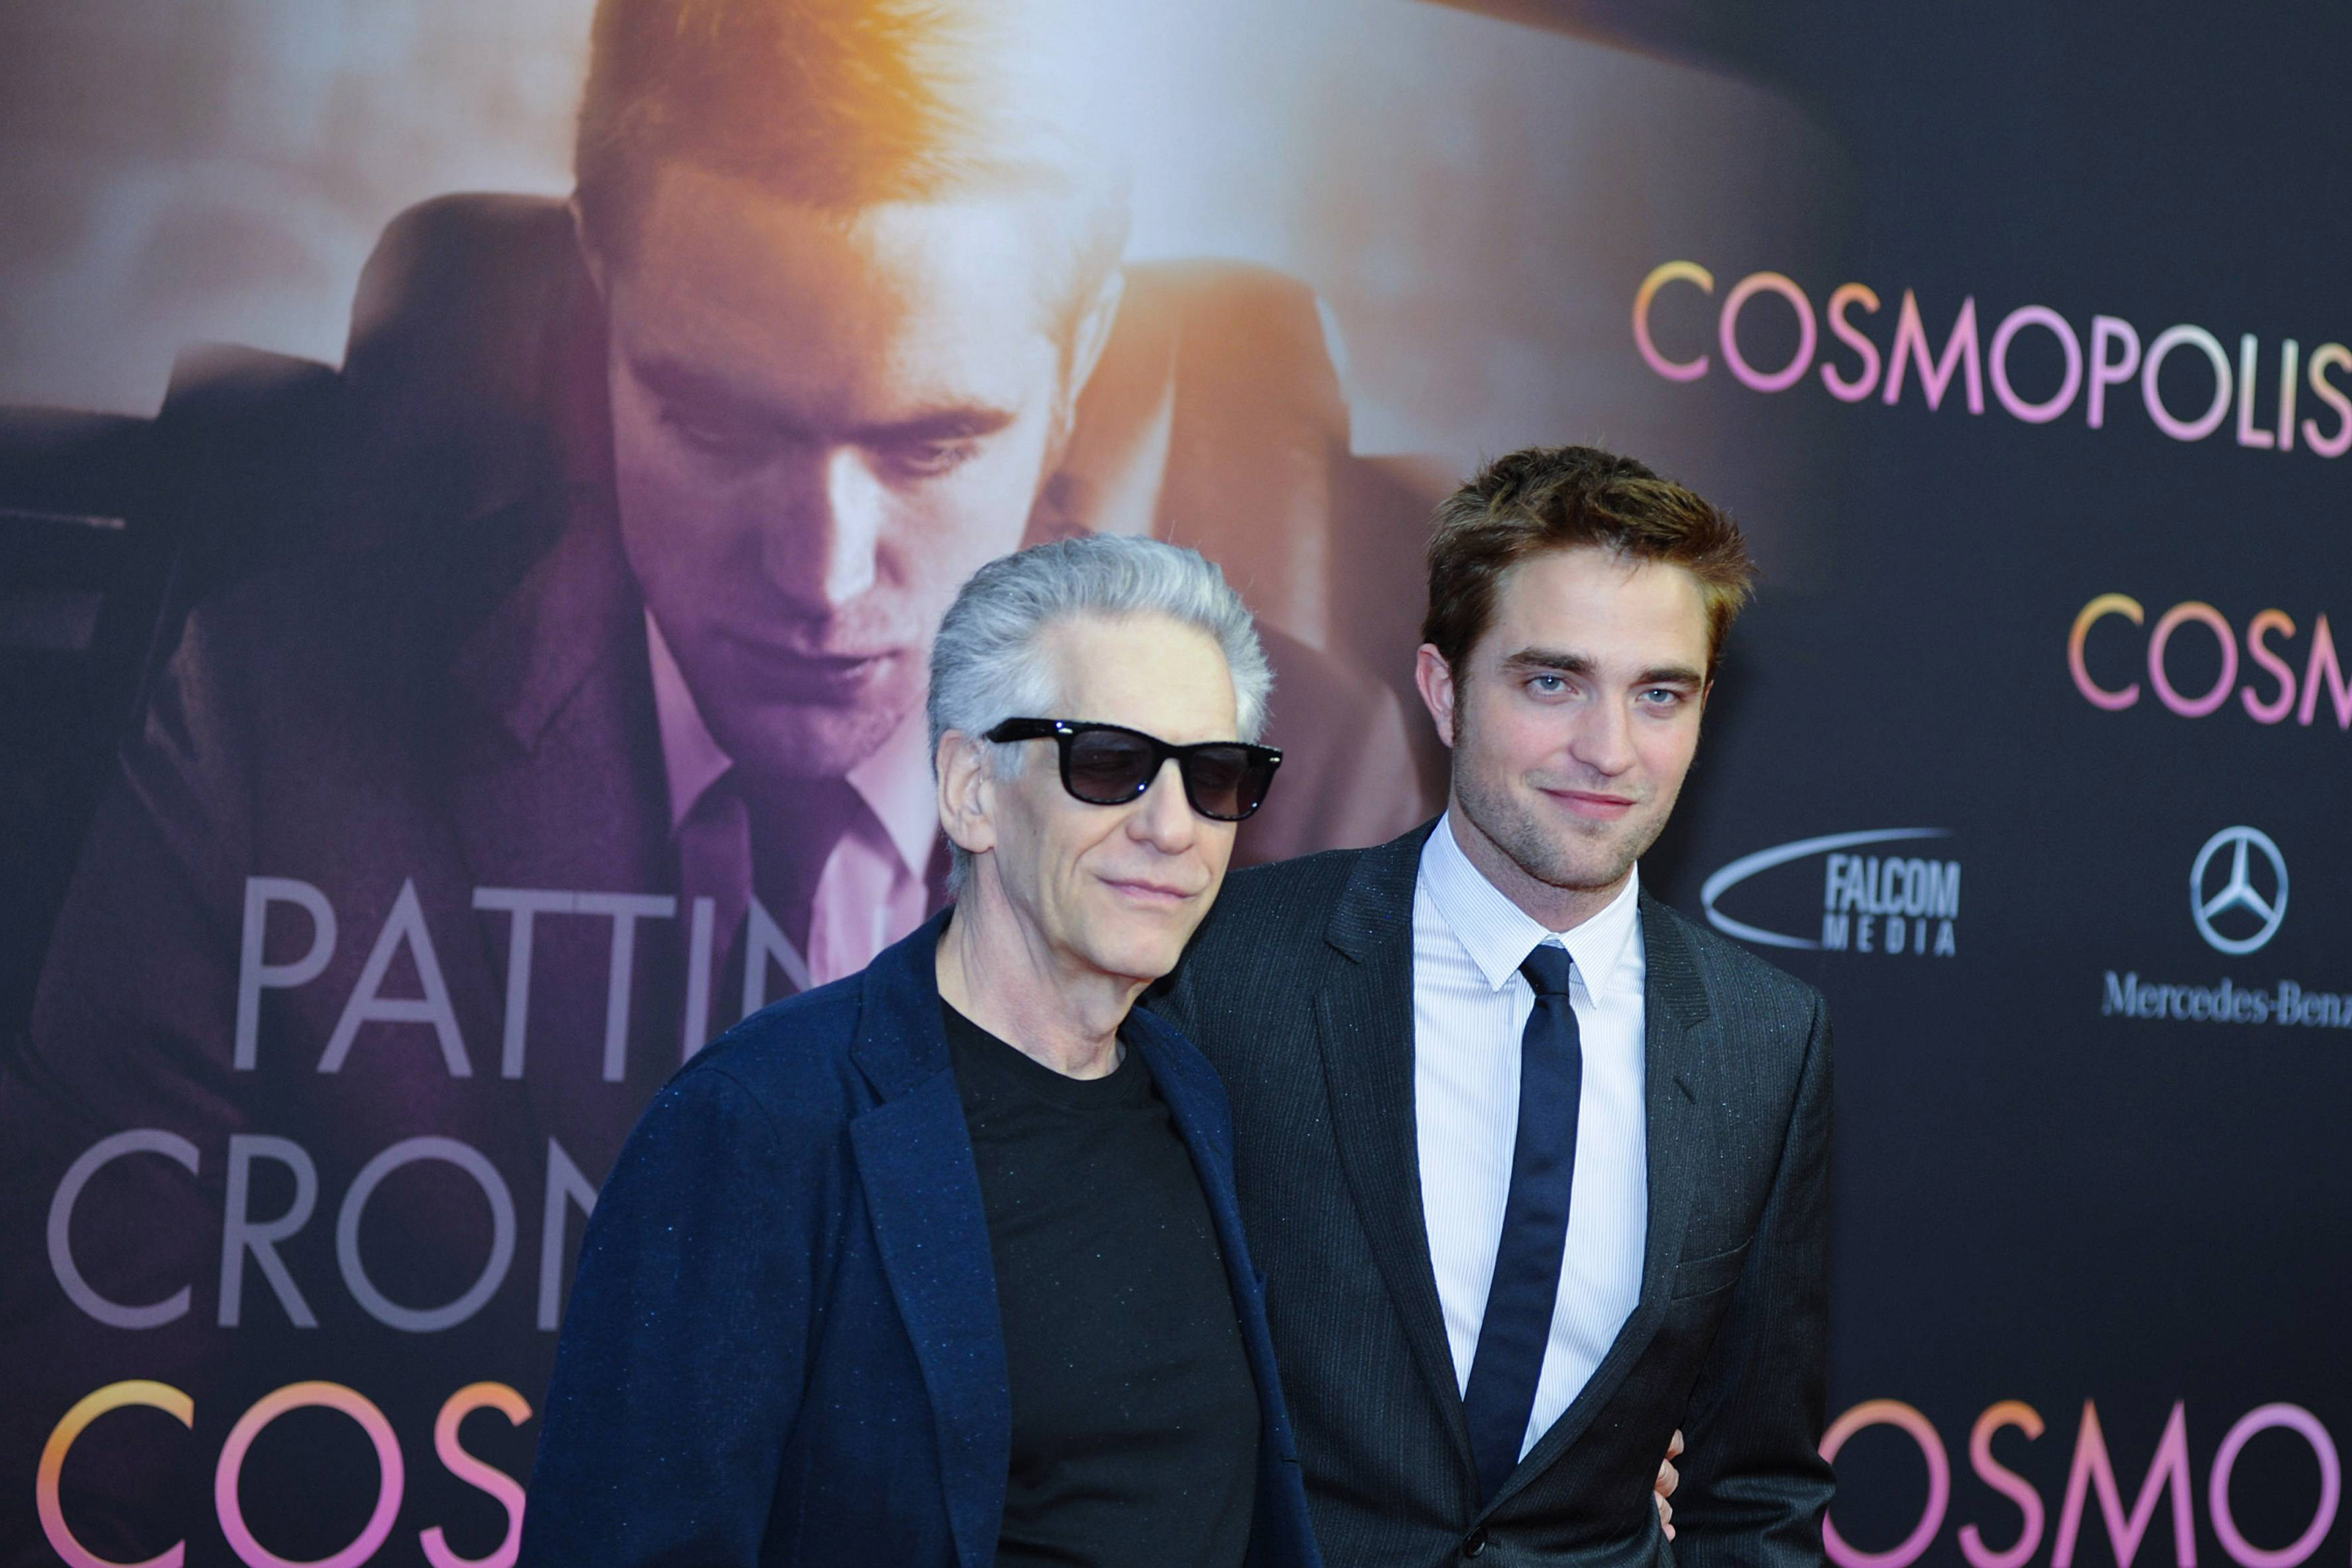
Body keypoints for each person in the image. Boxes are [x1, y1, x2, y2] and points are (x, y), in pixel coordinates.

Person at [0, 0, 1416, 1553]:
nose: (822, 576)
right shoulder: (273, 720)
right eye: (714, 423)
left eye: (932, 447)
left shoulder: (1310, 800)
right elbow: (88, 1455)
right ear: (600, 288)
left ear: (1078, 357)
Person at [521, 534, 1319, 1566]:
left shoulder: (1201, 1101)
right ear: (970, 789)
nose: (1172, 828)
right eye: (1110, 764)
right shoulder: (763, 1121)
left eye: (1213, 775)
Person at [1150, 445, 1834, 1566]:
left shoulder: (1766, 1040)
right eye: (1552, 682)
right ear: (1442, 690)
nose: (1607, 751)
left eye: (1658, 694)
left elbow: (1754, 1484)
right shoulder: (1226, 966)